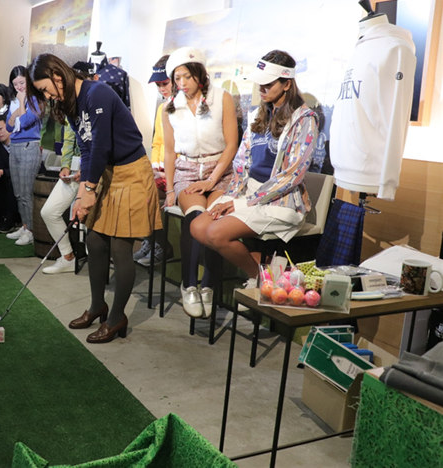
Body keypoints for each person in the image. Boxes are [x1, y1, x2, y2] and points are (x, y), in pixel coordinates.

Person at [29, 54, 161, 343]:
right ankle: (97, 306)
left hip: (132, 172)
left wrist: (89, 189)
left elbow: (101, 144)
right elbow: (88, 150)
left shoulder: (97, 93)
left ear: (57, 76)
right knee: (94, 240)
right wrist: (81, 194)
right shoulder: (71, 104)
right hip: (108, 172)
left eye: (45, 89)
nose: (47, 96)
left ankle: (116, 318)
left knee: (120, 248)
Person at [190, 50, 319, 294]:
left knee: (216, 233)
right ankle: (264, 271)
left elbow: (292, 175)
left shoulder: (304, 119)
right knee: (198, 227)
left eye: (268, 84)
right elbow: (241, 165)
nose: (262, 88)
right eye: (260, 83)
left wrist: (241, 203)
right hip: (248, 194)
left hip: (281, 201)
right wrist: (231, 197)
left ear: (287, 84)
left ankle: (259, 278)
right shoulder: (259, 114)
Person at [163, 47, 238, 318]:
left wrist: (211, 181)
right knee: (196, 217)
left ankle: (208, 285)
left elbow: (232, 145)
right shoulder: (169, 107)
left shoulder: (222, 98)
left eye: (187, 77)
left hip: (220, 171)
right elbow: (169, 152)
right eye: (177, 78)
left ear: (200, 74)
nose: (182, 83)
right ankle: (189, 284)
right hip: (187, 170)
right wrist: (169, 188)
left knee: (215, 218)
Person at [134, 54, 173, 267]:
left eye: (164, 83)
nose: (161, 89)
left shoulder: (185, 108)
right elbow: (157, 141)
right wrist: (156, 166)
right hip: (163, 170)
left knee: (143, 195)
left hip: (178, 173)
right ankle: (153, 241)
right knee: (135, 191)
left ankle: (161, 245)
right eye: (158, 85)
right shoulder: (162, 108)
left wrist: (165, 169)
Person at [4, 65, 42, 247]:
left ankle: (31, 230)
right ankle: (25, 226)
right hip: (15, 145)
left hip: (29, 146)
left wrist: (21, 103)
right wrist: (17, 109)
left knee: (27, 193)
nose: (19, 87)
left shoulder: (35, 99)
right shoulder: (13, 100)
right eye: (15, 84)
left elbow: (25, 121)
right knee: (18, 192)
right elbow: (9, 126)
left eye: (22, 82)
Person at [40, 117, 80, 274]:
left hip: (96, 169)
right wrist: (65, 165)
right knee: (49, 211)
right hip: (75, 167)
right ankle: (68, 257)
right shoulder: (70, 113)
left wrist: (88, 167)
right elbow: (68, 140)